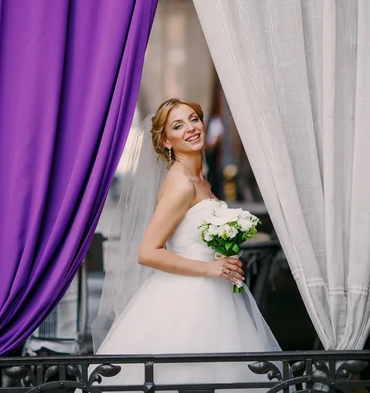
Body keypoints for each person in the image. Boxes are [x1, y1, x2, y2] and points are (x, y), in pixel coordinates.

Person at [91, 98, 280, 387]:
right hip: (188, 299)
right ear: (166, 141)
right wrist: (211, 269)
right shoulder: (181, 183)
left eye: (194, 119)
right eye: (178, 126)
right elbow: (147, 252)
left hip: (214, 294)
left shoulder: (200, 180)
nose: (191, 128)